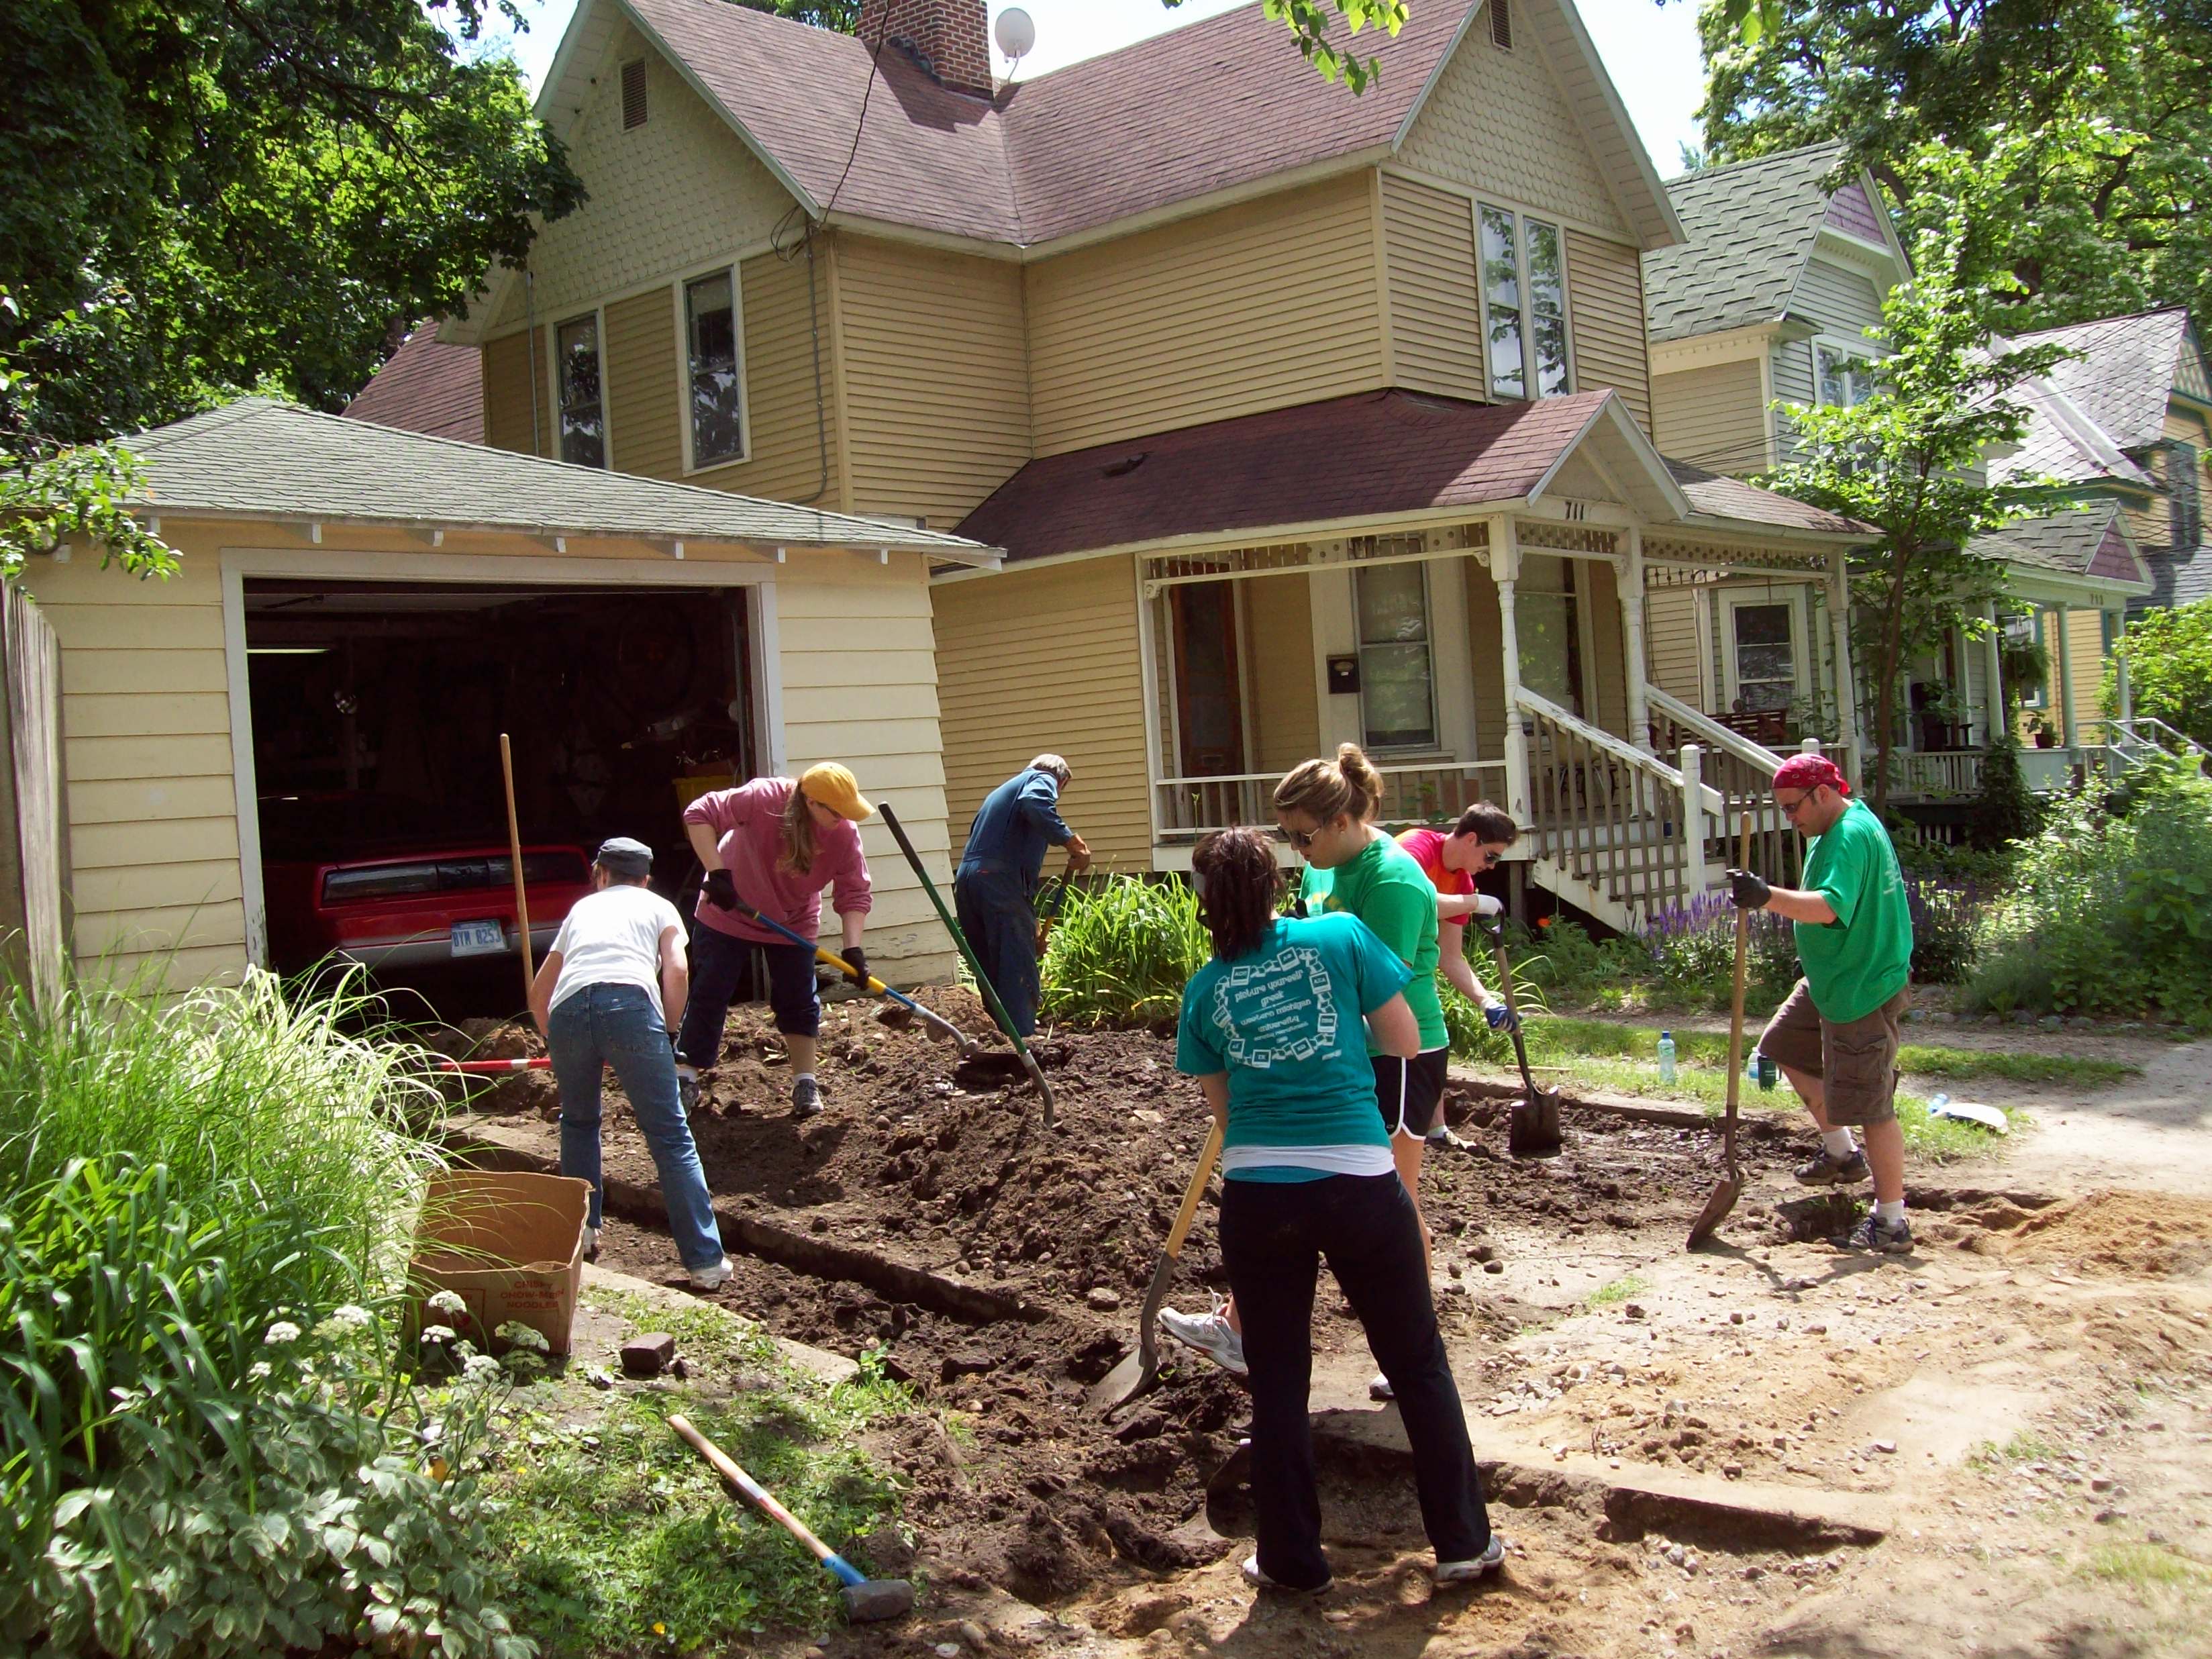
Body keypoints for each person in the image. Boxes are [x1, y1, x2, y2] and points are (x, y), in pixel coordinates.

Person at [1174, 825, 1503, 1593]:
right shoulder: (1341, 936)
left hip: (1259, 1196)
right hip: (1357, 1181)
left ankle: (1290, 1560)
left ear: (1205, 902)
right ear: (1276, 885)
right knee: (1415, 1364)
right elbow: (1405, 1036)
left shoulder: (1204, 989)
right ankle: (1461, 1542)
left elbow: (1225, 1115)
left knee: (1279, 1378)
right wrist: (1332, 1056)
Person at [1162, 745, 1468, 1399]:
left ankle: (1410, 1347)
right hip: (1341, 1047)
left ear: (1339, 822)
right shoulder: (1327, 870)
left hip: (1397, 1052)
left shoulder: (1386, 877)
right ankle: (1239, 1329)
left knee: (1392, 1197)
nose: (1297, 852)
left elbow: (1372, 993)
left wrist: (1287, 1042)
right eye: (1287, 839)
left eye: (1304, 836)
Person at [1725, 752, 1916, 1252]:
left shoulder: (1850, 835)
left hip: (1861, 987)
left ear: (1823, 794)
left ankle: (1891, 1223)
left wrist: (1765, 896)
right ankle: (1840, 1155)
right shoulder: (1839, 827)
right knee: (1782, 1045)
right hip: (1832, 978)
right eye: (1783, 809)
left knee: (1873, 1107)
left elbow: (1830, 907)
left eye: (1793, 808)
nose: (1790, 818)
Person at [529, 837, 732, 1290]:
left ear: (600, 875)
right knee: (670, 1135)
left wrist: (557, 1041)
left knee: (579, 1123)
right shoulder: (659, 907)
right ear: (645, 879)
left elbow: (540, 992)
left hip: (567, 1012)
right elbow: (677, 971)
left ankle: (581, 1235)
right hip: (631, 1006)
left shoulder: (583, 910)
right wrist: (671, 1032)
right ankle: (704, 1263)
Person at [677, 764, 874, 1119]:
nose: (845, 819)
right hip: (729, 908)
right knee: (711, 990)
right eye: (838, 811)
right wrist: (718, 872)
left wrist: (853, 949)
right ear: (812, 803)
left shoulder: (844, 833)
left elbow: (854, 891)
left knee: (799, 998)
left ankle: (805, 1081)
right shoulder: (765, 798)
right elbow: (699, 813)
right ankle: (686, 1077)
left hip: (792, 920)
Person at [953, 754, 1092, 1038]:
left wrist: (1032, 926)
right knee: (1016, 965)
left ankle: (999, 1037)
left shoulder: (999, 795)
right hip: (998, 883)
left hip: (970, 882)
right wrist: (1071, 841)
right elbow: (1035, 803)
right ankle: (1024, 1042)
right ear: (1061, 781)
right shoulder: (1040, 780)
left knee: (991, 967)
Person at [1397, 803, 1523, 1029]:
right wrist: (1474, 903)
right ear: (1471, 839)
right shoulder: (1416, 846)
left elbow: (1450, 957)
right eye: (1491, 857)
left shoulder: (1463, 883)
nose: (1492, 867)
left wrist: (1487, 1003)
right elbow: (1409, 902)